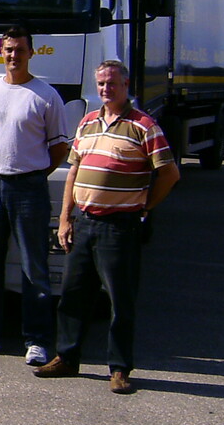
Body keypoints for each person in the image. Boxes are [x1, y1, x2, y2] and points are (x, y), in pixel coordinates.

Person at [34, 59, 180, 394]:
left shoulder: (144, 126)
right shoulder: (87, 123)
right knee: (72, 296)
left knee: (119, 300)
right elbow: (73, 172)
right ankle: (67, 358)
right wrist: (65, 219)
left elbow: (170, 174)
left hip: (119, 227)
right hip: (84, 223)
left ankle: (119, 369)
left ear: (126, 85)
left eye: (112, 83)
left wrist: (145, 205)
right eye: (101, 84)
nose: (105, 89)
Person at [0, 26, 69, 365]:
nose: (13, 55)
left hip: (29, 188)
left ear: (31, 53)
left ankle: (37, 340)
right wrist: (0, 169)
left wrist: (33, 173)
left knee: (34, 267)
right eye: (8, 49)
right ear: (0, 53)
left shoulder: (46, 95)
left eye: (20, 49)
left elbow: (60, 147)